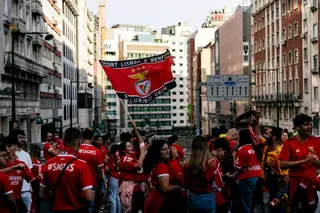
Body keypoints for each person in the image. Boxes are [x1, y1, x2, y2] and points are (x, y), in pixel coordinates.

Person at [40, 128, 94, 213]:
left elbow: (42, 194)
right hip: (77, 209)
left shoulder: (48, 164)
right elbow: (89, 197)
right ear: (78, 142)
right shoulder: (81, 164)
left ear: (64, 142)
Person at [279, 114, 320, 212]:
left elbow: (319, 165)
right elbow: (282, 164)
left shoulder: (316, 141)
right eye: (306, 124)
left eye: (310, 124)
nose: (310, 127)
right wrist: (303, 161)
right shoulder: (289, 143)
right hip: (297, 186)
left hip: (312, 186)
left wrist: (317, 162)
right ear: (298, 127)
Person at [144, 140, 185, 213]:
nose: (167, 151)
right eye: (164, 149)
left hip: (151, 199)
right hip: (159, 202)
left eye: (168, 148)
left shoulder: (153, 164)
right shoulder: (161, 166)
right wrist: (178, 187)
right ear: (158, 152)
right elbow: (165, 188)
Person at [183, 136, 218, 213]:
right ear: (206, 147)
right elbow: (217, 183)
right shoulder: (213, 161)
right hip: (208, 197)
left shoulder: (187, 164)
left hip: (193, 197)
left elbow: (185, 184)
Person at [118, 121, 147, 213]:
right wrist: (143, 152)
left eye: (131, 146)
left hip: (139, 188)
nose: (131, 148)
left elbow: (141, 143)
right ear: (123, 150)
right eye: (128, 147)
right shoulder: (125, 158)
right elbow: (139, 165)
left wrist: (135, 128)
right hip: (130, 190)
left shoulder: (133, 155)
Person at [0, 135, 34, 213]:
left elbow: (32, 180)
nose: (7, 150)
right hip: (4, 203)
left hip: (18, 201)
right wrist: (13, 168)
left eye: (9, 146)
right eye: (6, 147)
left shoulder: (21, 164)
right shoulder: (2, 164)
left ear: (15, 146)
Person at [234, 129, 262, 213]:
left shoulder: (242, 149)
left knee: (247, 204)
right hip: (258, 177)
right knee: (257, 203)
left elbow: (237, 167)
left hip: (247, 178)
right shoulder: (257, 147)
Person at [78, 129, 104, 213]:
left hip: (78, 182)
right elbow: (99, 171)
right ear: (92, 137)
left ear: (82, 137)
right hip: (92, 183)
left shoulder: (77, 149)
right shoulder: (97, 151)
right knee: (90, 208)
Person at [10, 129, 33, 213]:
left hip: (26, 192)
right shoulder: (8, 155)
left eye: (23, 137)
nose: (22, 139)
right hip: (13, 193)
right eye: (20, 137)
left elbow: (29, 174)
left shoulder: (26, 155)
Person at [0, 143, 18, 213]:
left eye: (6, 155)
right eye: (3, 155)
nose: (6, 158)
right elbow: (10, 198)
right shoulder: (3, 177)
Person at [107, 144, 121, 213]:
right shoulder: (120, 154)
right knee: (117, 196)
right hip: (119, 177)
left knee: (112, 196)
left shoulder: (115, 155)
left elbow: (109, 168)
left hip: (114, 176)